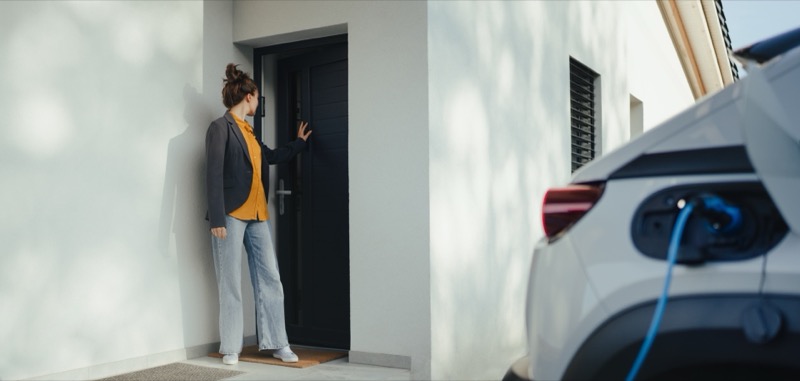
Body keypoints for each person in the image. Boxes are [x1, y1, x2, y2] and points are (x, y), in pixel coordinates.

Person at [205, 63, 311, 365]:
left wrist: (299, 144)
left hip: (257, 214)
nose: (258, 103)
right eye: (258, 98)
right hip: (230, 214)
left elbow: (272, 157)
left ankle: (278, 343)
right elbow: (212, 173)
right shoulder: (220, 127)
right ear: (248, 96)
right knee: (230, 282)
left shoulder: (250, 133)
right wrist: (216, 218)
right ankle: (230, 347)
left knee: (270, 279)